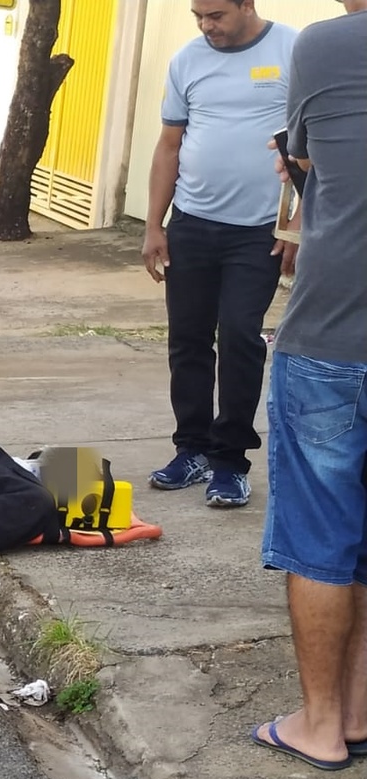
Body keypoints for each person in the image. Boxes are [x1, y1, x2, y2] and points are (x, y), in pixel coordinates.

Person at [251, 0, 367, 772]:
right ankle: (359, 709)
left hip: (335, 334)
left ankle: (322, 724)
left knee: (322, 536)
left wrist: (294, 164)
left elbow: (306, 165)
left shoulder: (326, 46)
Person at [140, 0, 298, 507]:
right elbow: (169, 145)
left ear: (246, 5)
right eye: (198, 17)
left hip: (257, 233)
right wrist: (153, 226)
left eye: (216, 16)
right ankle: (192, 449)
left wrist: (299, 221)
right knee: (187, 339)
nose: (207, 27)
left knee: (239, 337)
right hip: (191, 225)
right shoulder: (188, 59)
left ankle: (229, 461)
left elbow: (316, 142)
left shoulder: (292, 50)